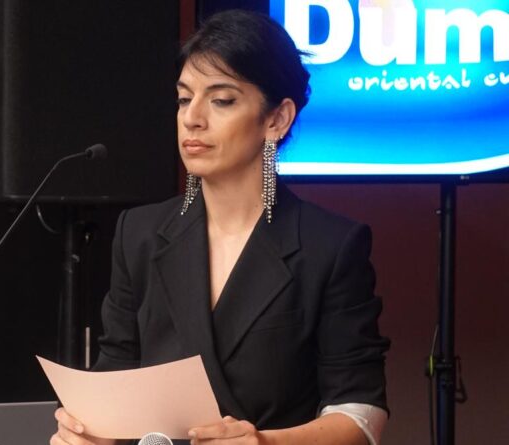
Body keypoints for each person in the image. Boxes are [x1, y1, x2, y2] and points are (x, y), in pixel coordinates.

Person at [51, 9, 389, 445]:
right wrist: (89, 430)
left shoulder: (331, 246)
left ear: (277, 119)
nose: (192, 118)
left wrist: (264, 443)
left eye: (221, 100)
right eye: (183, 99)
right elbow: (114, 376)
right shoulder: (139, 233)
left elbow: (360, 414)